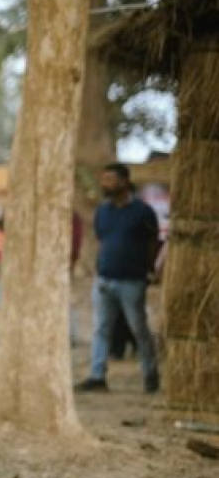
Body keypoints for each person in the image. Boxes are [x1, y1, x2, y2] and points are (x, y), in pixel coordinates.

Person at [76, 163, 160, 394]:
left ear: (124, 182)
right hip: (104, 279)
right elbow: (103, 239)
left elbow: (153, 242)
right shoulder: (103, 211)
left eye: (110, 180)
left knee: (139, 329)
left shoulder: (143, 211)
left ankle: (151, 376)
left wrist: (149, 269)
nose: (105, 184)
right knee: (101, 329)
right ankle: (97, 376)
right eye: (104, 179)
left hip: (132, 281)